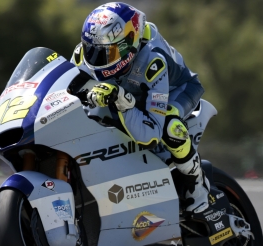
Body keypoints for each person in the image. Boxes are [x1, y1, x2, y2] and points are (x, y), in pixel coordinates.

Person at [71, 2, 209, 213]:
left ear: (128, 44)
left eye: (107, 53)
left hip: (176, 90)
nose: (96, 60)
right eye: (92, 50)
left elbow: (151, 134)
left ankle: (197, 185)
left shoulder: (153, 61)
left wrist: (122, 100)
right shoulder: (82, 54)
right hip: (128, 92)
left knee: (170, 126)